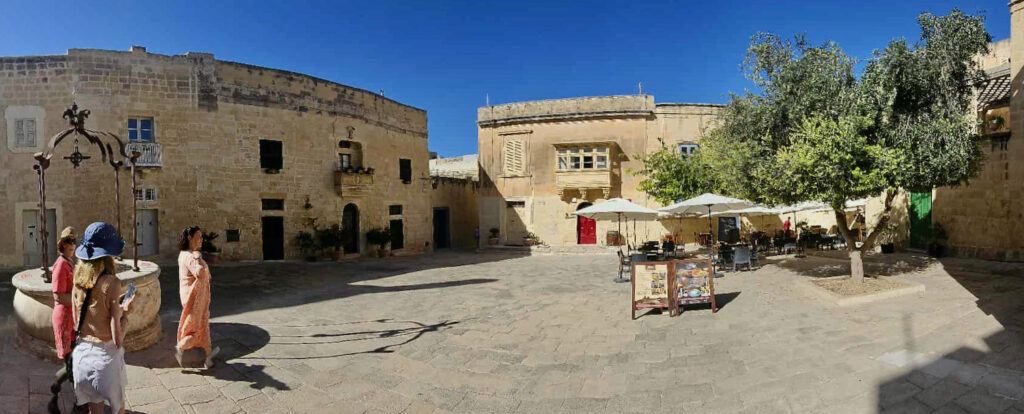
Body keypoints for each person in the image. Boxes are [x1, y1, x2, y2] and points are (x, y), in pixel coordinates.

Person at [71, 222, 134, 414]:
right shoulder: (112, 283)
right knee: (118, 410)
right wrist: (125, 314)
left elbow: (76, 323)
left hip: (81, 359)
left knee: (95, 411)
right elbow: (117, 339)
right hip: (105, 361)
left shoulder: (77, 281)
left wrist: (112, 305)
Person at [176, 226, 219, 368]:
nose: (201, 240)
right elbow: (200, 273)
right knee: (195, 328)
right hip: (194, 299)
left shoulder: (184, 254)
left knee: (203, 325)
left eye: (201, 237)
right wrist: (198, 257)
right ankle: (181, 347)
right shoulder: (190, 256)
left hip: (196, 297)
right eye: (198, 237)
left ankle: (208, 357)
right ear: (190, 238)